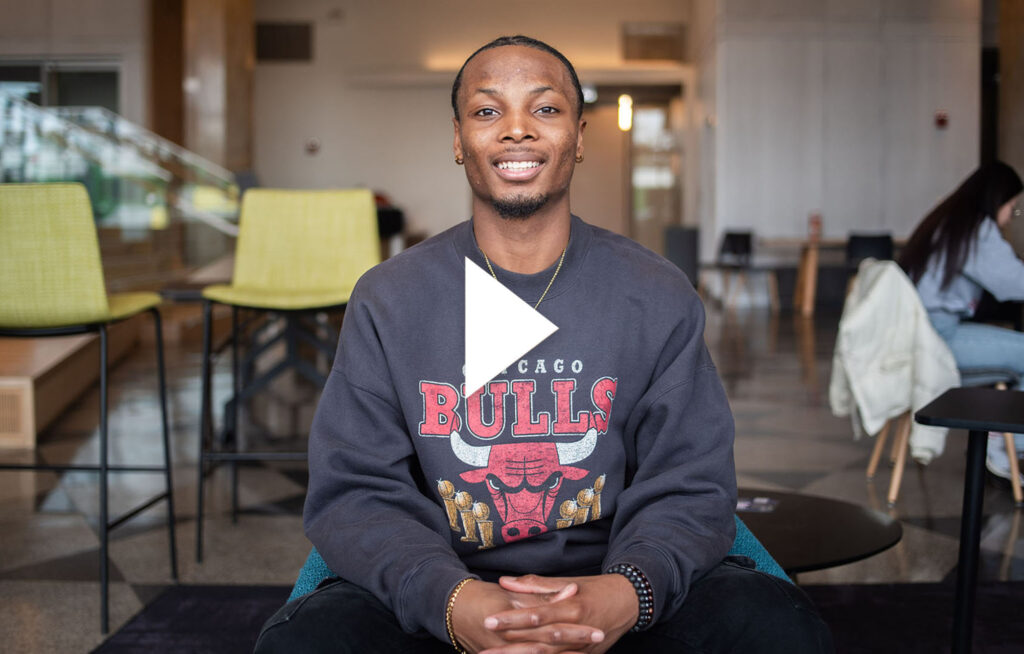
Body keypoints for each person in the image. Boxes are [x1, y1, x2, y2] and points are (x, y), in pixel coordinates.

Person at [255, 35, 832, 653]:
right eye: (487, 111)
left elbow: (690, 482)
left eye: (546, 109)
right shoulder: (388, 298)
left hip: (617, 584)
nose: (516, 130)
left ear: (579, 137)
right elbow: (357, 491)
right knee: (309, 642)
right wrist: (453, 603)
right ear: (458, 140)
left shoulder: (656, 292)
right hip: (446, 590)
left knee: (776, 629)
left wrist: (624, 596)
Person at [899, 161, 1024, 482]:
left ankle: (999, 442)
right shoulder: (978, 230)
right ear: (997, 200)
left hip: (920, 334)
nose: (1011, 215)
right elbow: (1014, 283)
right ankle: (1002, 446)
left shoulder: (946, 220)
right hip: (938, 340)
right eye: (1012, 206)